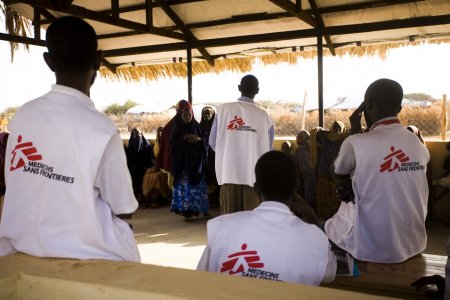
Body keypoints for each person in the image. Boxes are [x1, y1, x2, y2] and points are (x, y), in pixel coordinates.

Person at [0, 17, 140, 262]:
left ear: (49, 61)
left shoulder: (24, 115)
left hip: (19, 248)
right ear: (98, 59)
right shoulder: (101, 129)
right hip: (90, 257)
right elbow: (124, 209)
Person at [325, 78, 429, 263]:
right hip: (414, 243)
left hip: (369, 247)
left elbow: (335, 170)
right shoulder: (418, 143)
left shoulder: (357, 142)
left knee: (321, 228)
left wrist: (354, 131)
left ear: (367, 105)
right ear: (399, 109)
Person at [197, 151, 336, 285]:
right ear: (296, 187)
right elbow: (329, 274)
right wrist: (310, 214)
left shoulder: (220, 228)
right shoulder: (315, 238)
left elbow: (200, 279)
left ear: (256, 188)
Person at [209, 75, 274, 214]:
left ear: (239, 88)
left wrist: (228, 151)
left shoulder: (222, 111)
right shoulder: (264, 117)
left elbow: (213, 143)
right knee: (250, 224)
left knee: (229, 222)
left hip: (228, 174)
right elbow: (268, 151)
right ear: (257, 90)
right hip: (253, 179)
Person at [170, 100, 209, 219]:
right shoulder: (176, 127)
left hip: (196, 165)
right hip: (183, 165)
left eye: (189, 115)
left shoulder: (196, 125)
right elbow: (173, 144)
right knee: (185, 187)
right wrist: (185, 137)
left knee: (199, 187)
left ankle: (202, 210)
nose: (187, 117)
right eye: (185, 115)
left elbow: (205, 139)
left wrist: (198, 140)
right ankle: (186, 211)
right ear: (180, 116)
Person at [126, 128, 154, 203]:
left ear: (141, 134)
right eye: (133, 135)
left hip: (144, 166)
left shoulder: (146, 144)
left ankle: (141, 195)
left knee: (137, 172)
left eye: (138, 134)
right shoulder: (130, 145)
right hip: (133, 167)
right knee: (134, 172)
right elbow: (128, 159)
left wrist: (141, 164)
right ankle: (137, 195)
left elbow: (148, 159)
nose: (135, 137)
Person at [200, 106, 219, 209]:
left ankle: (216, 200)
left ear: (213, 115)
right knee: (206, 179)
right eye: (205, 113)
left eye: (209, 113)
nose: (207, 115)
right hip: (204, 158)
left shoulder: (217, 127)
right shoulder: (199, 126)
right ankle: (208, 201)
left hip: (214, 157)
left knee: (215, 178)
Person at [294, 130, 316, 207]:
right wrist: (300, 171)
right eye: (297, 138)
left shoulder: (310, 149)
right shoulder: (298, 150)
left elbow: (312, 162)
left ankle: (311, 204)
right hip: (301, 173)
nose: (298, 140)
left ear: (305, 139)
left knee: (310, 186)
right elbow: (296, 163)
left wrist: (306, 172)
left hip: (310, 173)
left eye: (300, 138)